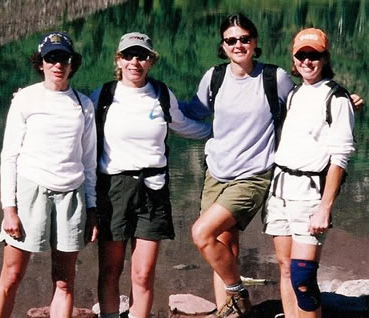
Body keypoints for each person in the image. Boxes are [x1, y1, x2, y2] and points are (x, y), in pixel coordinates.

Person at [89, 32, 211, 318]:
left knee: (143, 274)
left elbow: (183, 125)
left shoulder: (161, 93)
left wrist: (221, 134)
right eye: (128, 55)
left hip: (153, 189)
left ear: (151, 61)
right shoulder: (103, 96)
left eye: (142, 56)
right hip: (113, 189)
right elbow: (75, 126)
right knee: (110, 270)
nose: (135, 62)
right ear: (118, 60)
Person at [180, 13, 294, 317]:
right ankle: (229, 313)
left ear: (254, 42)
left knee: (202, 233)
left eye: (244, 38)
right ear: (223, 45)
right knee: (223, 246)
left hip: (253, 175)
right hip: (215, 173)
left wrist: (341, 99)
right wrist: (154, 100)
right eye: (231, 40)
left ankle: (236, 291)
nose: (238, 44)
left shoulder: (275, 78)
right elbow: (193, 111)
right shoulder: (214, 77)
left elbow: (303, 105)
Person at [0, 32, 98, 318]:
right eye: (51, 58)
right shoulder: (25, 99)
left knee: (64, 281)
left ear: (72, 62)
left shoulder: (83, 104)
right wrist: (9, 209)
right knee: (11, 275)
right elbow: (9, 156)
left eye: (63, 57)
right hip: (31, 193)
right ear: (41, 63)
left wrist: (91, 207)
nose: (57, 64)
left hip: (71, 195)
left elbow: (88, 161)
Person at [263, 28, 355, 318]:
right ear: (293, 58)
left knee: (303, 278)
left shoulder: (337, 99)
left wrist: (324, 208)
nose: (307, 61)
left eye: (313, 55)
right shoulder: (294, 94)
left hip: (310, 195)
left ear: (324, 58)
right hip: (280, 190)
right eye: (301, 55)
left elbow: (340, 157)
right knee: (285, 268)